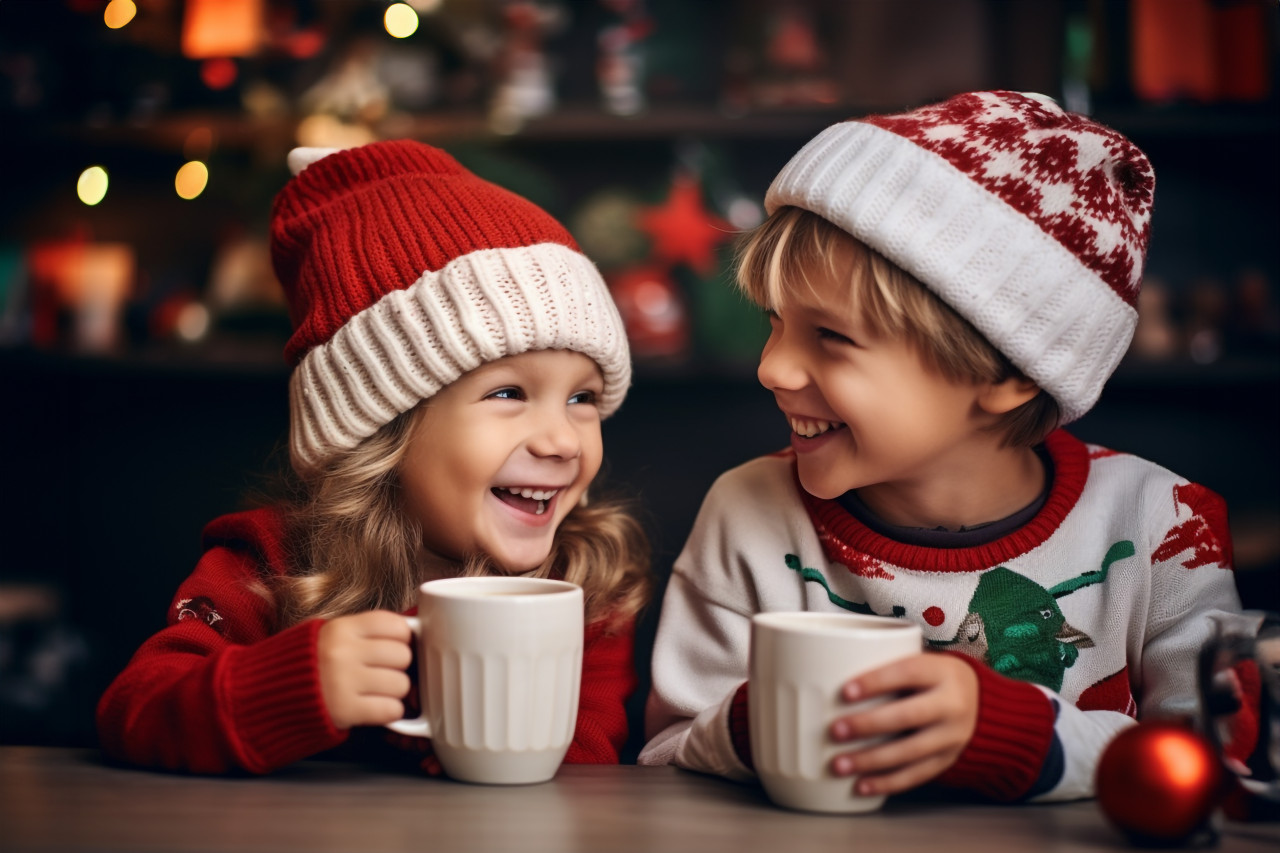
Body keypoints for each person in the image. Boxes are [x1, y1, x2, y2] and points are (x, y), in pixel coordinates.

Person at [638, 91, 1255, 802]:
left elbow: (1227, 767)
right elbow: (666, 754)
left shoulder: (1162, 527)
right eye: (775, 323)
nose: (771, 368)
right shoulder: (748, 510)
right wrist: (759, 721)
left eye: (831, 337)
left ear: (1007, 372)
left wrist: (1018, 733)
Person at [97, 139, 652, 774]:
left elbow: (580, 777)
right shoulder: (272, 566)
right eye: (508, 392)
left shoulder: (587, 585)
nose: (561, 440)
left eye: (582, 397)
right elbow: (134, 710)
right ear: (380, 427)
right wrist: (293, 685)